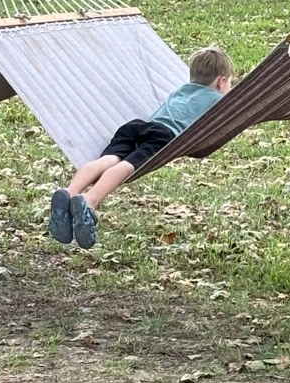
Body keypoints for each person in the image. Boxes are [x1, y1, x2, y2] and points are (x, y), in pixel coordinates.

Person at [49, 47, 234, 249]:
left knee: (109, 160)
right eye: (230, 83)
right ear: (221, 81)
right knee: (129, 165)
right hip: (164, 136)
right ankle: (90, 199)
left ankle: (70, 190)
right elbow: (233, 110)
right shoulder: (218, 100)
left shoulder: (181, 90)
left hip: (136, 127)